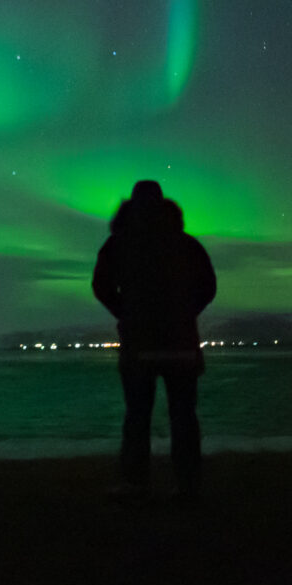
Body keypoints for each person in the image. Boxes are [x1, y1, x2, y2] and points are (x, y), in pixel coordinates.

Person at [91, 180, 217, 499]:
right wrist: (186, 313)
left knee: (137, 416)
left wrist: (125, 314)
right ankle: (188, 485)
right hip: (181, 345)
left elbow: (101, 286)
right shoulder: (186, 244)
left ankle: (135, 484)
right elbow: (208, 287)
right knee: (184, 416)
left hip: (139, 345)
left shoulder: (118, 244)